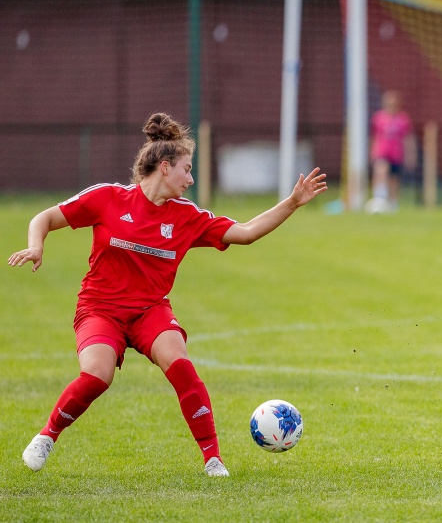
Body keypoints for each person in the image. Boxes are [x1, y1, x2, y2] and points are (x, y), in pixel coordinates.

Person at [7, 113, 327, 477]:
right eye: (187, 170)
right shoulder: (108, 198)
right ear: (164, 167)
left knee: (181, 366)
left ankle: (213, 459)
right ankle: (47, 436)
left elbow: (247, 232)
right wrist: (36, 247)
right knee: (97, 375)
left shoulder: (187, 217)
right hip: (100, 309)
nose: (191, 179)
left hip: (150, 311)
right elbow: (44, 218)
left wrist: (292, 202)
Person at [366, 89, 414, 213]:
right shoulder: (379, 118)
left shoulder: (403, 119)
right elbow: (374, 136)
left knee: (394, 179)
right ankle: (379, 197)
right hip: (382, 151)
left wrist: (410, 155)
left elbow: (407, 139)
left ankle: (392, 203)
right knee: (381, 169)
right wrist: (371, 151)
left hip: (396, 153)